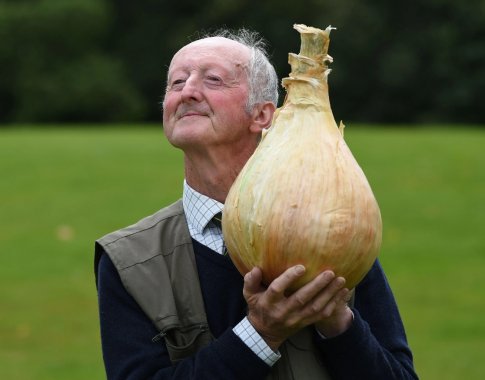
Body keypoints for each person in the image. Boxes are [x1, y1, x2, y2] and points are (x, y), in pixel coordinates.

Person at [95, 28, 418, 380]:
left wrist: (339, 323)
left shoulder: (338, 229)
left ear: (262, 115)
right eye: (176, 82)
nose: (187, 92)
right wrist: (260, 334)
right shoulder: (128, 259)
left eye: (213, 80)